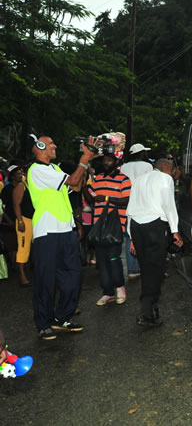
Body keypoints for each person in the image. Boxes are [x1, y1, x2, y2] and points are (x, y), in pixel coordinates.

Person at [28, 135, 100, 340]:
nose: (55, 145)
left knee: (73, 276)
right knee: (45, 280)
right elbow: (74, 180)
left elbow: (76, 187)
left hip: (65, 231)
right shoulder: (37, 170)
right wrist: (84, 158)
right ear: (39, 147)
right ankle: (44, 323)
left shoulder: (55, 169)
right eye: (51, 143)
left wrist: (87, 162)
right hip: (47, 232)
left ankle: (63, 317)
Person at [126, 158, 183, 326]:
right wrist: (175, 231)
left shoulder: (138, 180)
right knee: (156, 269)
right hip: (154, 226)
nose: (173, 172)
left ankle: (149, 307)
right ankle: (147, 311)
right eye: (172, 169)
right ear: (165, 167)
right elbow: (169, 205)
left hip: (137, 227)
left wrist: (131, 238)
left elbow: (130, 208)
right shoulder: (165, 179)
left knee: (146, 268)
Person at [85, 151, 132, 306]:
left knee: (113, 258)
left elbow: (126, 200)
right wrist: (84, 183)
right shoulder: (97, 179)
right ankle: (107, 292)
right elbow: (90, 198)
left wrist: (106, 198)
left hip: (116, 226)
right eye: (104, 160)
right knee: (102, 261)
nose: (105, 162)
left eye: (109, 160)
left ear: (116, 162)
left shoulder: (123, 179)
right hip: (99, 226)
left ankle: (120, 288)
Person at [121, 143, 152, 279]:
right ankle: (145, 267)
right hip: (143, 204)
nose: (146, 154)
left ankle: (132, 270)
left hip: (126, 203)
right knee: (145, 235)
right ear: (140, 153)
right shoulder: (148, 166)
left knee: (130, 235)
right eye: (144, 152)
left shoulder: (124, 166)